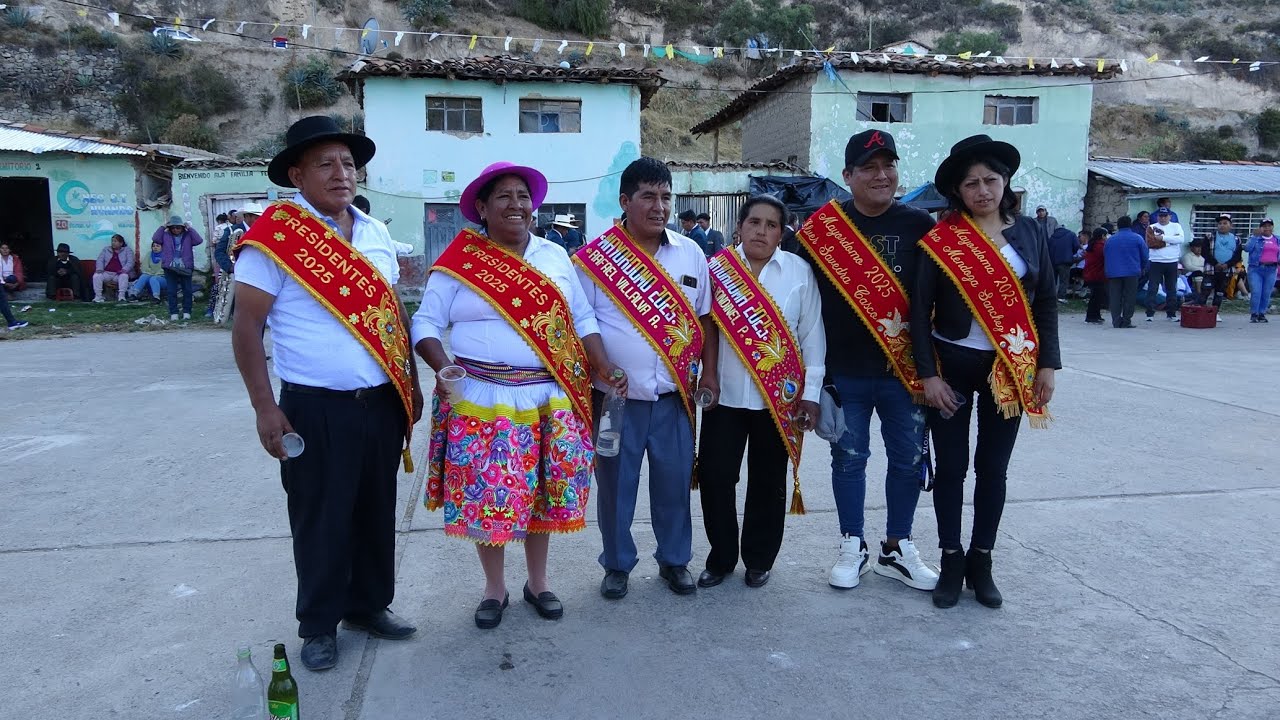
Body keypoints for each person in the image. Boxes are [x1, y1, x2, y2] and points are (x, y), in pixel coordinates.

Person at [231, 115, 421, 671]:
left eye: (348, 163)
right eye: (326, 164)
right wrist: (266, 409)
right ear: (297, 174)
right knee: (320, 517)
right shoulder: (272, 239)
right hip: (313, 408)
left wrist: (409, 384)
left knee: (374, 511)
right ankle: (318, 623)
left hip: (380, 401)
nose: (342, 174)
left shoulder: (376, 233)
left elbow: (392, 316)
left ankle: (368, 606)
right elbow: (247, 330)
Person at [414, 162, 619, 628]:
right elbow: (425, 322)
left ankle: (538, 583)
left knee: (542, 492)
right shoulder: (460, 263)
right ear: (482, 209)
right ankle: (494, 588)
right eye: (503, 196)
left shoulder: (554, 256)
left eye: (523, 196)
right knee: (492, 494)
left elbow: (582, 318)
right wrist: (440, 364)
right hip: (481, 396)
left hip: (548, 395)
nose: (516, 205)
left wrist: (602, 363)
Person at [912, 134, 1060, 609]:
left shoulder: (1030, 234)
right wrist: (928, 375)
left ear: (1006, 182)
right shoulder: (941, 240)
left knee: (993, 470)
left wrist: (1049, 364)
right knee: (952, 469)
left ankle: (982, 560)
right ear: (958, 191)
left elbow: (1048, 303)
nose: (982, 190)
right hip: (951, 364)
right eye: (971, 183)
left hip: (1010, 366)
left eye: (990, 180)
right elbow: (919, 311)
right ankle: (951, 559)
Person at [797, 129, 939, 593]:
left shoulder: (921, 225)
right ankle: (852, 544)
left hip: (906, 372)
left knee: (906, 460)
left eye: (888, 165)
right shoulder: (821, 230)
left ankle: (897, 546)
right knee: (849, 460)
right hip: (846, 374)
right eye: (870, 168)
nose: (882, 175)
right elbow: (800, 301)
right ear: (848, 176)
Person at [575, 157, 719, 599]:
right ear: (625, 201)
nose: (659, 207)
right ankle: (617, 563)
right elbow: (584, 325)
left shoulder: (691, 252)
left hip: (674, 397)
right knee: (616, 487)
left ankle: (675, 561)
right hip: (614, 401)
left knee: (674, 484)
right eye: (649, 196)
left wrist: (708, 373)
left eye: (666, 197)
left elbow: (706, 319)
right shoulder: (594, 260)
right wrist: (601, 366)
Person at [697, 195, 825, 590]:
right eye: (754, 222)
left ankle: (758, 559)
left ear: (782, 232)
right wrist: (705, 376)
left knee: (769, 482)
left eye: (772, 225)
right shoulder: (716, 270)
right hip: (725, 396)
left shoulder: (799, 272)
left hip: (778, 399)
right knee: (717, 477)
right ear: (740, 226)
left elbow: (812, 336)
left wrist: (812, 394)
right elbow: (705, 329)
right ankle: (720, 558)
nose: (762, 231)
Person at [211, 202, 264, 323]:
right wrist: (230, 267)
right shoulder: (232, 230)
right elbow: (219, 252)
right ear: (247, 216)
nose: (259, 220)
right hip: (239, 273)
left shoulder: (262, 230)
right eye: (256, 217)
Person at [152, 215, 203, 321]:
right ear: (170, 228)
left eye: (178, 227)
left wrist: (190, 228)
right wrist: (163, 227)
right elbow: (155, 239)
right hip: (170, 267)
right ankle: (174, 313)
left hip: (185, 266)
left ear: (182, 228)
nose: (175, 229)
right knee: (171, 291)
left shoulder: (188, 235)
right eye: (173, 227)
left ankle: (187, 312)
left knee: (187, 290)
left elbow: (199, 240)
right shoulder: (165, 235)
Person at [1104, 216, 1149, 329]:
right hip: (1132, 272)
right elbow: (1145, 256)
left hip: (1114, 272)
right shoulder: (1137, 238)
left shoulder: (1110, 240)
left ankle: (1116, 321)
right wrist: (1142, 268)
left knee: (1115, 297)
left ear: (1118, 226)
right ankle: (1126, 320)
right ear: (1130, 225)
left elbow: (1105, 255)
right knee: (1129, 296)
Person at [1144, 207, 1184, 322]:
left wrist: (1162, 238)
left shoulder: (1176, 226)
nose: (1163, 218)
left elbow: (1180, 239)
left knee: (1171, 288)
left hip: (1172, 261)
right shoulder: (1152, 227)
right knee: (1153, 288)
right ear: (1157, 217)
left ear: (1169, 216)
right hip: (1156, 261)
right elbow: (1151, 243)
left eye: (1165, 216)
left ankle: (1171, 313)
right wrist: (1170, 242)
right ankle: (1150, 313)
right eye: (1160, 216)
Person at [1204, 213, 1241, 311]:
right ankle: (1199, 313)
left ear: (1231, 225)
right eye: (1220, 223)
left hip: (1226, 271)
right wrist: (1216, 263)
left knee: (1219, 293)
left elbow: (1237, 256)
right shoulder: (1209, 236)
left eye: (1225, 223)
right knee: (1205, 292)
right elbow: (1205, 253)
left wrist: (1227, 265)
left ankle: (1214, 313)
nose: (1222, 225)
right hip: (1211, 270)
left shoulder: (1236, 239)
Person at [1244, 218, 1278, 323]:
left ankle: (1262, 313)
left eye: (1269, 226)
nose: (1267, 228)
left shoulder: (1277, 239)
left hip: (1271, 269)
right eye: (1264, 226)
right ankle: (1254, 313)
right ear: (1260, 228)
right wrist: (1255, 236)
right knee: (1256, 291)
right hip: (1256, 268)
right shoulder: (1256, 238)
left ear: (1272, 227)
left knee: (1266, 292)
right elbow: (1247, 249)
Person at [92, 234, 134, 303]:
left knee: (124, 276)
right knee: (96, 276)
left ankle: (121, 297)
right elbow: (100, 260)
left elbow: (130, 262)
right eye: (112, 241)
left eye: (115, 241)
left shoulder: (127, 250)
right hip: (106, 273)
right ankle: (98, 296)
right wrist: (99, 269)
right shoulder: (106, 249)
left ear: (121, 243)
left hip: (119, 274)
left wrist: (124, 270)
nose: (113, 243)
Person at [1047, 226, 1081, 303]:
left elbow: (1048, 249)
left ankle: (1051, 297)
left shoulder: (1052, 237)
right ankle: (1061, 297)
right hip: (1065, 261)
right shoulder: (1071, 234)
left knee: (1053, 280)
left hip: (1053, 262)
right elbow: (1076, 246)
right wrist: (1071, 253)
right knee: (1064, 280)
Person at [1082, 227, 1108, 324]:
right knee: (1096, 296)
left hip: (1091, 273)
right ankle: (1091, 316)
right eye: (1106, 235)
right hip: (1097, 274)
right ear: (1102, 236)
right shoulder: (1100, 246)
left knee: (1097, 296)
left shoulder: (1093, 245)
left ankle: (1096, 315)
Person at [1181, 239, 1207, 304]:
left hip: (1203, 275)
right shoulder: (1187, 256)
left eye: (1201, 247)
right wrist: (1202, 269)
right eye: (1197, 247)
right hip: (1189, 276)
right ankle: (1199, 294)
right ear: (1192, 247)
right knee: (1198, 273)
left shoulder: (1203, 257)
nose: (1199, 249)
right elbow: (1188, 267)